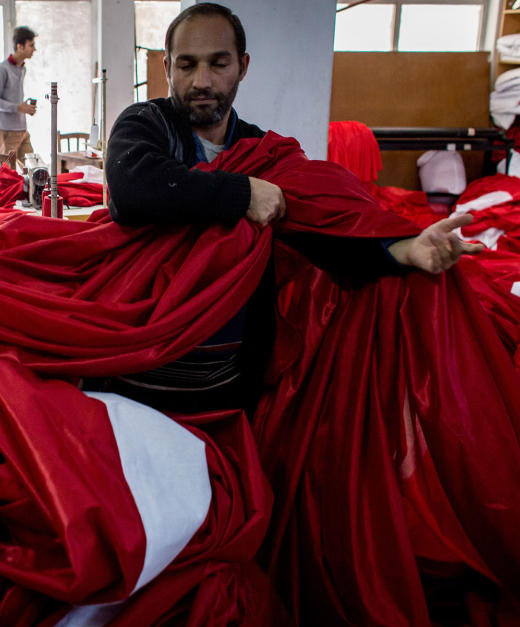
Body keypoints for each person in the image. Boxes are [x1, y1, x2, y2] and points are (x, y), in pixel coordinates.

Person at [103, 2, 483, 412]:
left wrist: (404, 250)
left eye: (218, 64)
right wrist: (243, 195)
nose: (202, 81)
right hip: (137, 372)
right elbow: (133, 189)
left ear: (242, 66)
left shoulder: (266, 153)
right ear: (167, 68)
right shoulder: (145, 124)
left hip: (225, 384)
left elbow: (321, 229)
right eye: (187, 65)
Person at [0, 26, 37, 165]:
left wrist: (25, 108)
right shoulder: (1, 69)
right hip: (6, 132)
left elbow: (14, 99)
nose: (34, 49)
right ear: (19, 46)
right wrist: (18, 108)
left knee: (33, 169)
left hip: (22, 130)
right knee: (10, 177)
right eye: (31, 45)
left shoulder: (22, 68)